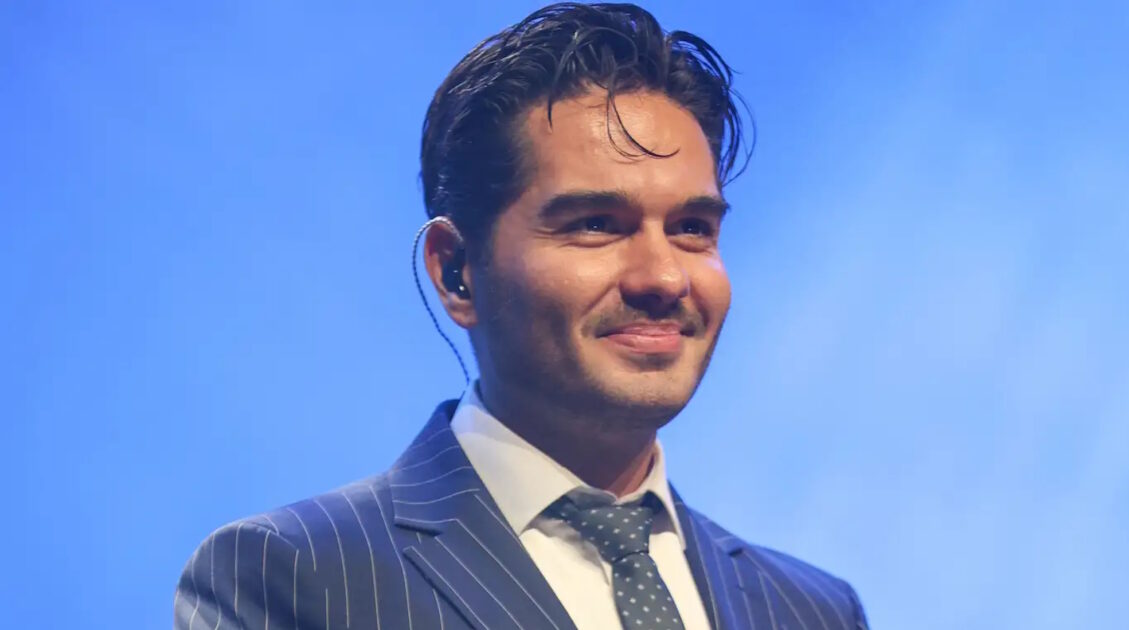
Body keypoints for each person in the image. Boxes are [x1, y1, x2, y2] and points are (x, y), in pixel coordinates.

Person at [174, 3, 869, 629]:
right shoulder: (294, 577)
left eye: (692, 228)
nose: (663, 277)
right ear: (456, 270)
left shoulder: (811, 611)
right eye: (596, 224)